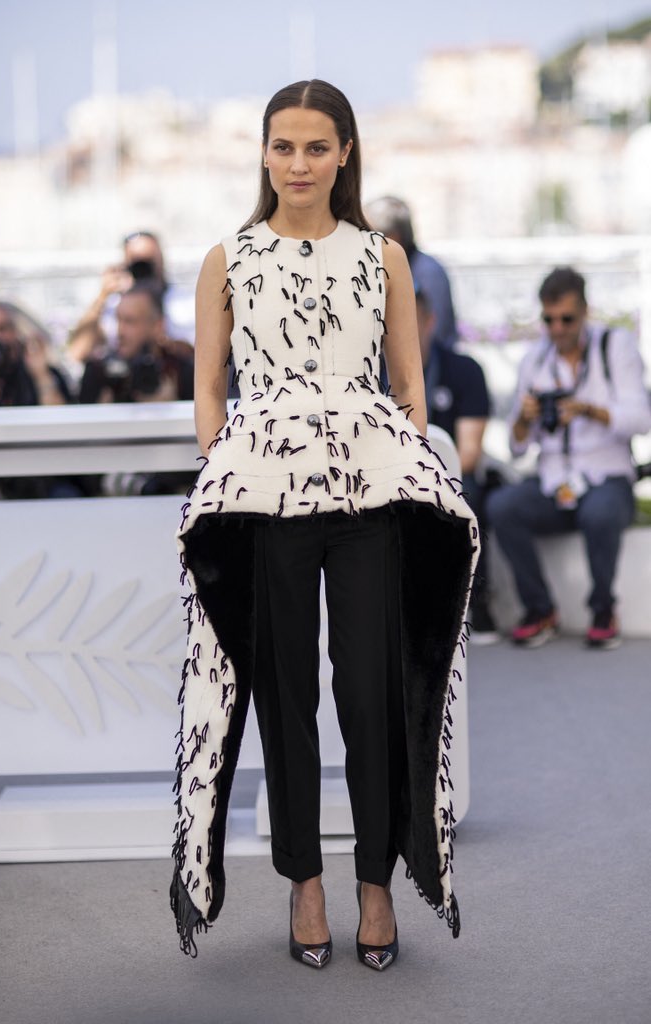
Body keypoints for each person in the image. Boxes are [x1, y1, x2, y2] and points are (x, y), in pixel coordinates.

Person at [170, 80, 477, 971]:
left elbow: (409, 382)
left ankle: (375, 883)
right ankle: (304, 882)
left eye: (315, 147)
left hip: (368, 493)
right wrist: (221, 454)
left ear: (345, 153)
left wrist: (400, 451)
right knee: (283, 693)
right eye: (282, 146)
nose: (297, 163)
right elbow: (208, 387)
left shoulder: (381, 257)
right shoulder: (228, 258)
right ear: (263, 154)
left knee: (372, 690)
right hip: (264, 492)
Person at [487, 266, 651, 649]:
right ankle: (540, 609)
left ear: (584, 312)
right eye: (548, 319)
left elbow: (642, 419)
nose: (557, 328)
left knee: (601, 512)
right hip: (553, 479)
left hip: (606, 475)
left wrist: (587, 410)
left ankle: (602, 609)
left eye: (566, 319)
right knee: (503, 507)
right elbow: (517, 446)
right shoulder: (534, 360)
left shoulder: (615, 347)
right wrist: (525, 421)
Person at [414, 287, 497, 642]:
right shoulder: (370, 371)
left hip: (449, 477)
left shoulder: (463, 370)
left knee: (471, 496)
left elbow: (468, 453)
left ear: (430, 322)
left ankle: (479, 603)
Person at [79, 284, 194, 495]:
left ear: (158, 326)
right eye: (118, 320)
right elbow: (80, 452)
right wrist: (105, 414)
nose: (120, 331)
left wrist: (170, 412)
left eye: (130, 322)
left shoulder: (181, 368)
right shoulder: (99, 370)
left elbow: (202, 446)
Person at [0, 300, 80, 499]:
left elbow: (64, 429)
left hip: (38, 479)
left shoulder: (37, 372)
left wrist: (41, 375)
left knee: (65, 495)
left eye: (3, 329)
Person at [66, 230, 194, 386]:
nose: (143, 268)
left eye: (148, 260)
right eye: (136, 261)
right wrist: (102, 296)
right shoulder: (113, 301)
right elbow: (77, 353)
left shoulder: (184, 302)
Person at [365, 196, 457, 350]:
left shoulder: (428, 273)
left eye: (369, 235)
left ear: (393, 237)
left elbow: (436, 336)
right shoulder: (378, 269)